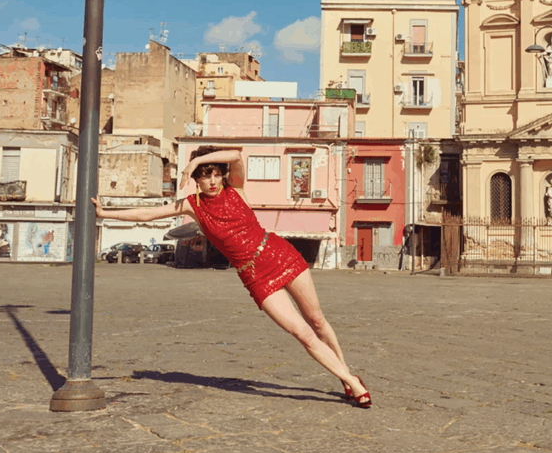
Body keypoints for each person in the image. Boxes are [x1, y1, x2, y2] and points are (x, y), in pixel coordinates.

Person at [90, 146, 371, 408]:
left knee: (318, 321)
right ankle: (351, 381)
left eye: (215, 173)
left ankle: (345, 376)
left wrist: (198, 159)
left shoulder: (236, 188)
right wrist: (106, 213)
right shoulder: (192, 205)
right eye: (204, 175)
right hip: (254, 276)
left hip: (279, 254)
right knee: (302, 333)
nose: (212, 180)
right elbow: (149, 213)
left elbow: (236, 156)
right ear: (196, 181)